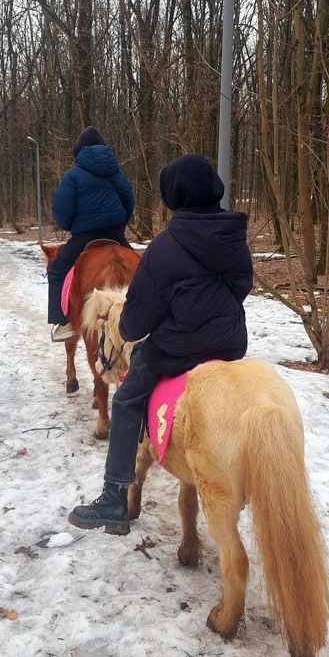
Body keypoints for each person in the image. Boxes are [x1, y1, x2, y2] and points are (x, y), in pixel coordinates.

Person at [68, 152, 254, 531]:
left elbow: (134, 324)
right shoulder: (236, 237)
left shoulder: (165, 247)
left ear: (174, 195)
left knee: (126, 400)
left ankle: (114, 498)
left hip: (177, 351)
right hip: (232, 345)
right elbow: (242, 287)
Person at [48, 126, 134, 341]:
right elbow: (129, 202)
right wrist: (120, 222)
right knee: (145, 270)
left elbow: (62, 210)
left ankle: (64, 323)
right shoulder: (117, 173)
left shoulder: (74, 175)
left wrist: (67, 224)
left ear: (79, 152)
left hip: (85, 237)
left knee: (57, 270)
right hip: (116, 234)